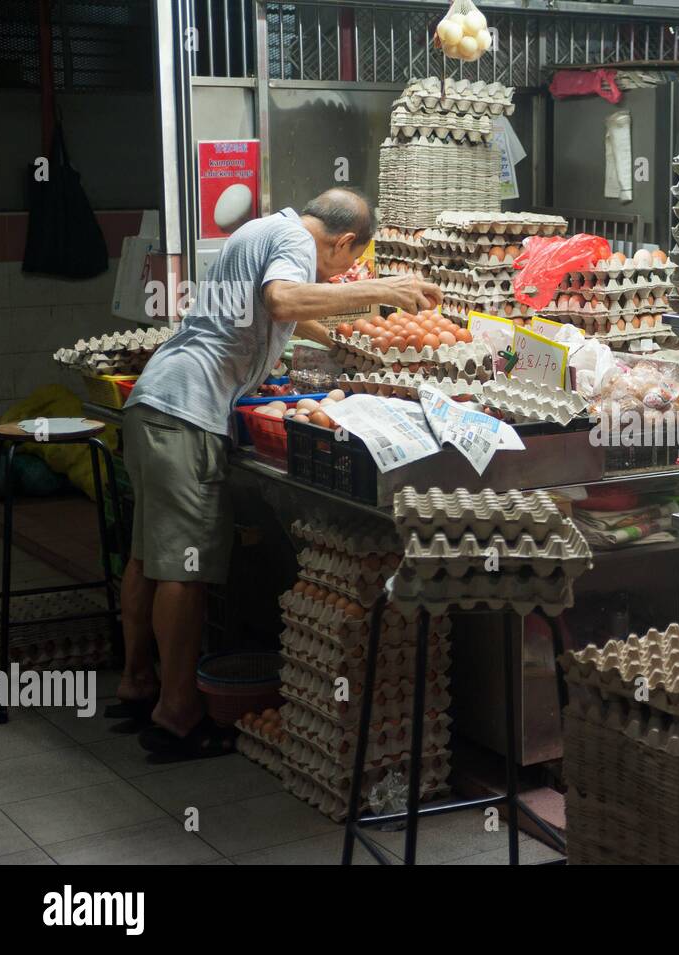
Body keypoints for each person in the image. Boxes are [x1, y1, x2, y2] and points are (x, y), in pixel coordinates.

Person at [113, 187, 440, 760]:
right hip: (187, 411)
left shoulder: (260, 229)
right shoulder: (293, 241)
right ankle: (178, 714)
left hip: (154, 402)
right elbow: (285, 300)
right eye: (350, 263)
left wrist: (346, 332)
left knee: (148, 556)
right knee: (182, 571)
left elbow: (278, 314)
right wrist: (382, 289)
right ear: (342, 243)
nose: (342, 274)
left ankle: (138, 682)